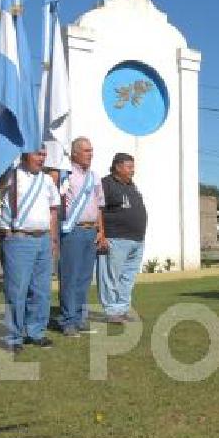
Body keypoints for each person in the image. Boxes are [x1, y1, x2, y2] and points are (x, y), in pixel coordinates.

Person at [0, 148, 61, 352]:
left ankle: (36, 332)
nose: (42, 158)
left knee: (41, 291)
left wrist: (52, 238)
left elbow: (53, 210)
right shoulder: (12, 175)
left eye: (44, 154)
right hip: (19, 238)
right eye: (37, 154)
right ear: (25, 155)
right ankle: (12, 337)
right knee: (17, 291)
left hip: (42, 239)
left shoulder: (48, 180)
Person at [57, 137, 106, 337]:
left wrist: (101, 231)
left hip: (91, 231)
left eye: (91, 150)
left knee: (85, 278)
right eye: (86, 150)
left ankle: (79, 318)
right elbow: (57, 203)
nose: (90, 154)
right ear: (74, 153)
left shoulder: (95, 177)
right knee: (70, 276)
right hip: (73, 230)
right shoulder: (64, 175)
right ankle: (68, 320)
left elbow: (100, 205)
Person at [97, 153, 148, 323]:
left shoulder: (131, 185)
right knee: (110, 277)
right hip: (115, 239)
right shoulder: (106, 184)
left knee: (128, 277)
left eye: (133, 167)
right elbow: (99, 211)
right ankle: (112, 312)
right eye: (129, 167)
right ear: (117, 167)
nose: (133, 170)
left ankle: (123, 309)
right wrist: (101, 234)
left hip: (136, 240)